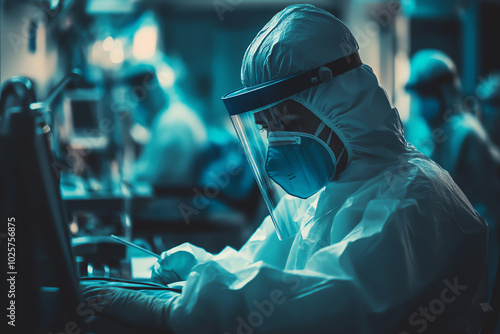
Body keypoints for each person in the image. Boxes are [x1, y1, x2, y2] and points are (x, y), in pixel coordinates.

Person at [82, 5, 489, 333]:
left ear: (338, 107)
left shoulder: (416, 197)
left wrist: (176, 311)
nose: (275, 145)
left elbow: (324, 306)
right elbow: (264, 270)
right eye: (266, 129)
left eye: (287, 125)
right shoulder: (321, 193)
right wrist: (205, 266)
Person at [405, 50, 500, 301]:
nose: (421, 102)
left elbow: (488, 206)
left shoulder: (468, 134)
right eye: (418, 95)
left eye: (427, 94)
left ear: (445, 91)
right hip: (434, 250)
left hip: (466, 252)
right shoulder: (422, 129)